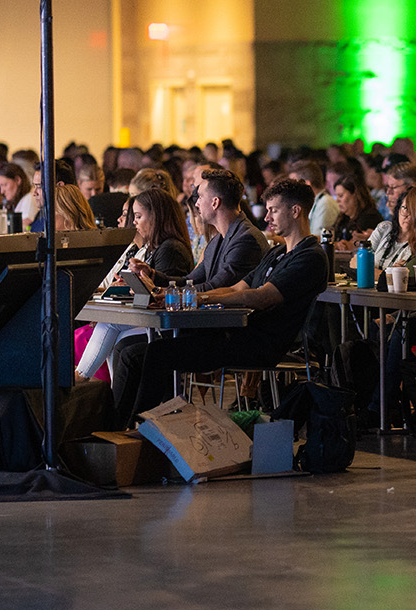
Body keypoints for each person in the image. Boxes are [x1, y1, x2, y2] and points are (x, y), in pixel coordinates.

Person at [110, 178, 330, 427]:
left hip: (258, 343)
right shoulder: (277, 253)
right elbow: (237, 287)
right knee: (136, 354)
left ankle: (138, 432)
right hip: (234, 334)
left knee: (157, 353)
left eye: (273, 210)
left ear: (295, 210)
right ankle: (119, 429)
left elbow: (260, 297)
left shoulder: (310, 257)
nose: (266, 217)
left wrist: (197, 297)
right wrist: (178, 290)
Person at [77, 188, 196, 383]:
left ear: (156, 217)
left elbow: (165, 294)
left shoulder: (170, 249)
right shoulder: (155, 248)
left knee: (110, 326)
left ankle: (86, 378)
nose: (134, 222)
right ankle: (113, 393)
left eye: (138, 216)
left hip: (169, 325)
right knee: (112, 331)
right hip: (152, 319)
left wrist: (139, 283)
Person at [186, 167, 269, 292]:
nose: (197, 203)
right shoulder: (218, 239)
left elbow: (217, 287)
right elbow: (190, 280)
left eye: (201, 197)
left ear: (215, 203)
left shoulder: (247, 240)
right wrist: (155, 279)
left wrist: (170, 294)